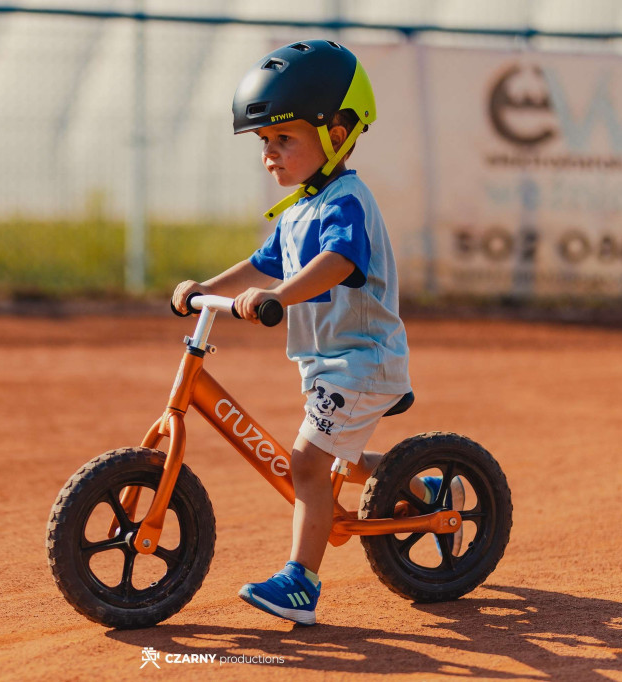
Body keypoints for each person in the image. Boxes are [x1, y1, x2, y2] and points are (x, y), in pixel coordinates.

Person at [172, 40, 414, 626]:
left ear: (336, 132)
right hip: (328, 361)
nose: (271, 155)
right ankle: (423, 486)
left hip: (363, 358)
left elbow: (337, 262)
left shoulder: (346, 201)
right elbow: (261, 264)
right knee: (335, 462)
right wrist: (207, 286)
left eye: (286, 139)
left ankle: (301, 585)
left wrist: (279, 296)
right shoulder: (300, 209)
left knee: (306, 465)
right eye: (265, 143)